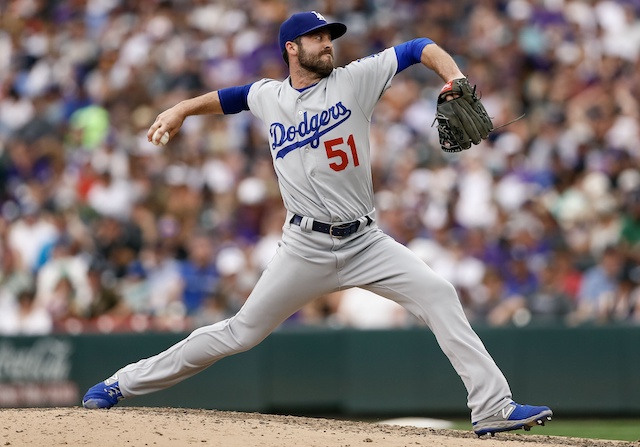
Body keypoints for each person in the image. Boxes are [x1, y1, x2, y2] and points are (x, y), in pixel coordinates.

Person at [82, 11, 552, 436]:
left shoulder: (355, 80)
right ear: (292, 48)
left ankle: (491, 406)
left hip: (365, 241)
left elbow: (417, 47)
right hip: (303, 247)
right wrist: (182, 108)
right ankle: (121, 383)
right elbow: (229, 97)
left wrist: (453, 76)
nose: (328, 43)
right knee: (240, 332)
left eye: (330, 36)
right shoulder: (270, 96)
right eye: (317, 37)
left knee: (439, 293)